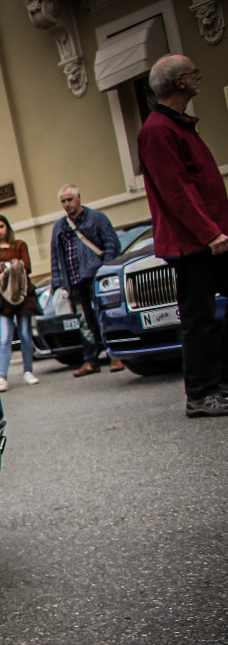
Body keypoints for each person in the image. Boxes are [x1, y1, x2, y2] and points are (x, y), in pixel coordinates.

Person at [137, 54, 228, 418]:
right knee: (198, 318)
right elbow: (177, 191)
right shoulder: (158, 130)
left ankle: (217, 384)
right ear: (179, 83)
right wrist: (210, 232)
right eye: (194, 72)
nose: (199, 75)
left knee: (204, 318)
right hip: (194, 243)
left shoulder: (175, 126)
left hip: (208, 238)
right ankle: (202, 394)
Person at [49, 184, 122, 377]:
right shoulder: (59, 226)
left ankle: (116, 356)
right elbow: (56, 256)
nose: (67, 204)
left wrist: (104, 270)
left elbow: (112, 245)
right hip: (73, 281)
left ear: (79, 198)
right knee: (84, 321)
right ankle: (91, 361)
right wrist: (57, 282)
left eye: (70, 199)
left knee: (103, 317)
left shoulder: (97, 218)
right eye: (63, 201)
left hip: (95, 278)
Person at [0, 214, 42, 391]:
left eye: (2, 226)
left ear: (7, 227)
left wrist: (3, 266)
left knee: (25, 334)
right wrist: (12, 265)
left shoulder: (19, 245)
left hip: (22, 294)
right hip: (2, 297)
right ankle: (2, 376)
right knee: (5, 338)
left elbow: (27, 266)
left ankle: (28, 371)